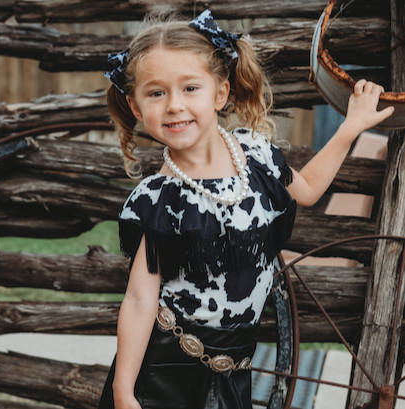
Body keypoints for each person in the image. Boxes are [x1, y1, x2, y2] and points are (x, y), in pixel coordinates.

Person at [97, 9, 394, 409]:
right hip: (167, 369)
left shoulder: (255, 156)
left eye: (190, 88)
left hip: (235, 364)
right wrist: (123, 390)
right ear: (136, 107)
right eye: (156, 93)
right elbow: (138, 300)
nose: (174, 105)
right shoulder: (159, 199)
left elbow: (307, 190)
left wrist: (351, 126)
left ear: (220, 94)